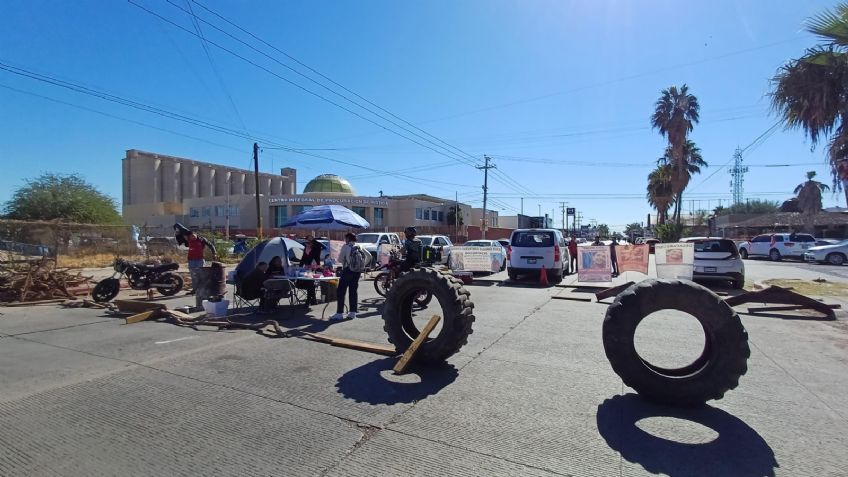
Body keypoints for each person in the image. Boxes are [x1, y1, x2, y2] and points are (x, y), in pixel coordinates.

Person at [330, 233, 362, 321]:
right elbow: (368, 257)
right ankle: (352, 313)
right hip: (357, 271)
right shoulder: (359, 246)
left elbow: (340, 259)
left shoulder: (346, 246)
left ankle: (339, 313)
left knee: (341, 291)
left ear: (347, 238)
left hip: (348, 270)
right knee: (353, 291)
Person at [185, 230, 217, 295]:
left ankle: (203, 290)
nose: (193, 237)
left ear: (196, 234)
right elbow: (181, 229)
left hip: (199, 260)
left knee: (202, 275)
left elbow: (211, 245)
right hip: (191, 260)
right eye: (191, 236)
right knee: (194, 276)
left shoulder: (202, 240)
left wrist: (214, 253)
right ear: (189, 237)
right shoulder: (188, 239)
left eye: (194, 236)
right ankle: (194, 290)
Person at [296, 236, 323, 305]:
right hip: (307, 267)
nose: (308, 240)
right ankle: (312, 299)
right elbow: (303, 257)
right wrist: (300, 266)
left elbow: (314, 255)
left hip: (314, 266)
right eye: (307, 239)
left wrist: (312, 245)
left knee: (310, 282)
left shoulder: (317, 246)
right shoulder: (306, 246)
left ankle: (309, 300)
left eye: (310, 239)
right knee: (309, 283)